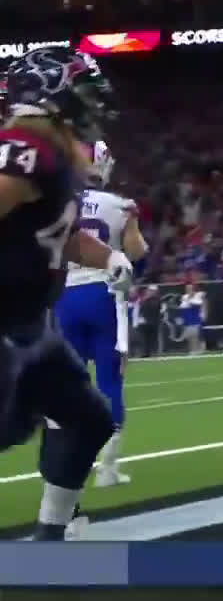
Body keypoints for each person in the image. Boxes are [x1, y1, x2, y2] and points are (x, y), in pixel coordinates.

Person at [0, 47, 134, 540]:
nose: (91, 104)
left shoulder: (53, 154)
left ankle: (49, 537)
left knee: (88, 420)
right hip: (6, 322)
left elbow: (60, 232)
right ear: (49, 95)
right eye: (81, 92)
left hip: (32, 321)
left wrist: (110, 257)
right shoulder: (25, 146)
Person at [53, 139, 148, 487]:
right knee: (110, 380)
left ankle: (66, 465)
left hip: (63, 297)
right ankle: (107, 468)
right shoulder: (120, 205)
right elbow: (136, 253)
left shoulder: (60, 201)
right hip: (104, 294)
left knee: (68, 384)